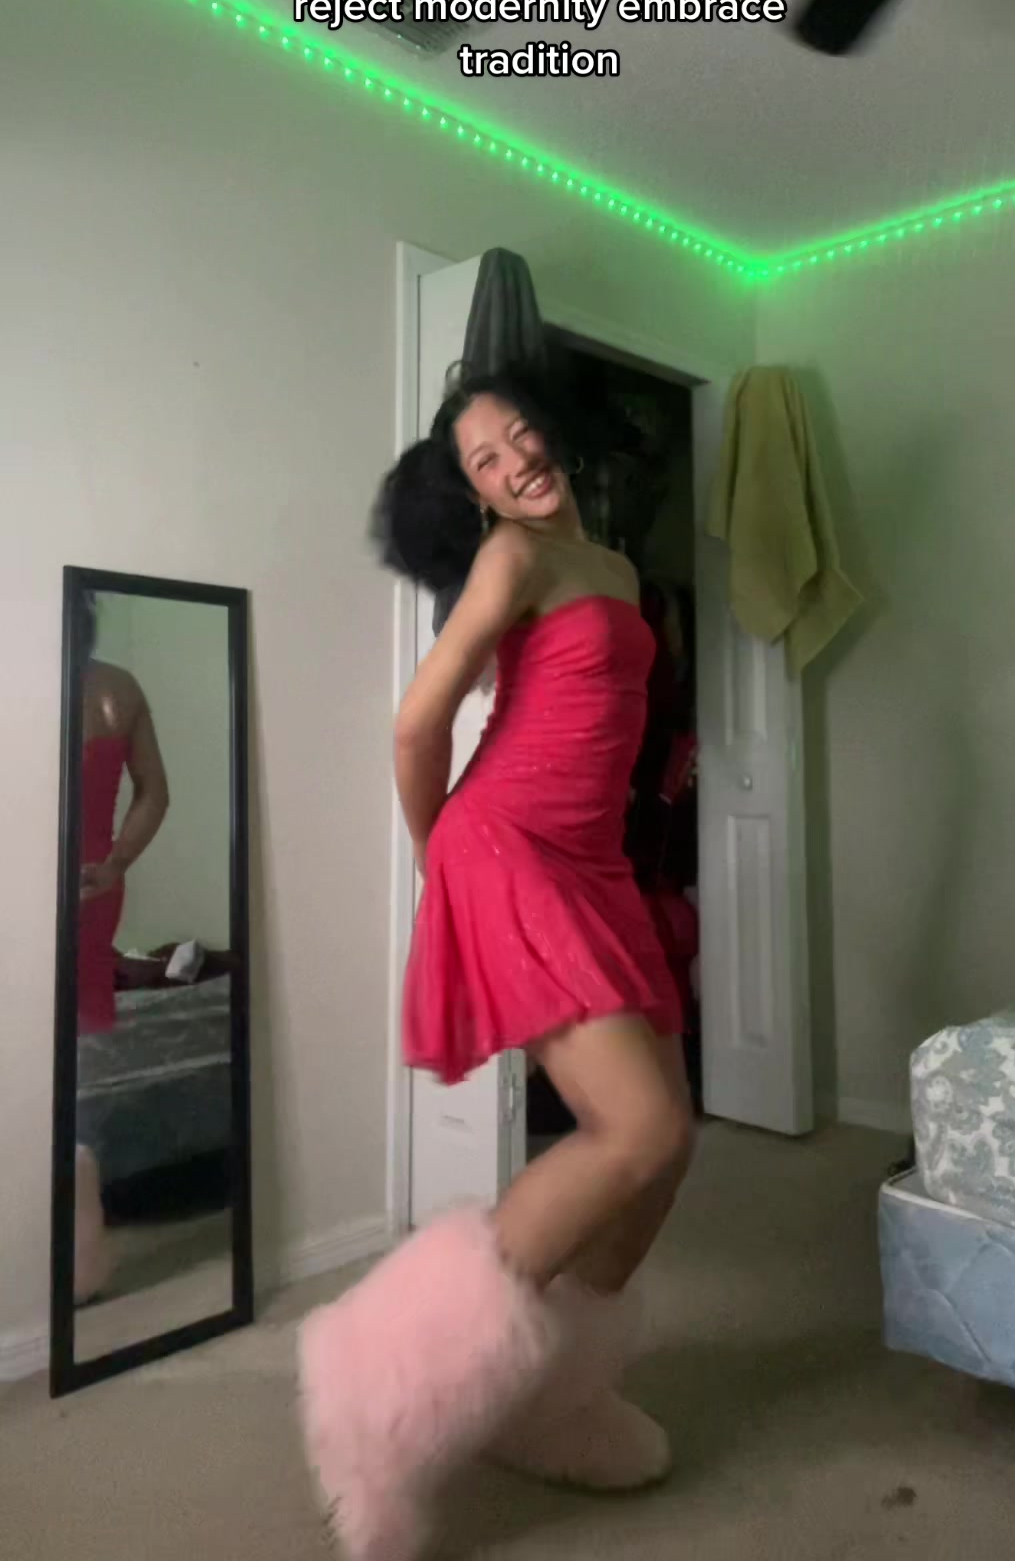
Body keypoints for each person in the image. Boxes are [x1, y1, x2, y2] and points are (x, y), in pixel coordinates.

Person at [299, 368, 695, 1561]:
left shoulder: (610, 566)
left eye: (520, 434)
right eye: (485, 458)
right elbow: (417, 723)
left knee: (666, 1145)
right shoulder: (511, 559)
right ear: (474, 492)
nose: (517, 459)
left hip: (596, 861)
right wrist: (443, 855)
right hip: (510, 843)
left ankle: (552, 1401)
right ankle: (374, 1385)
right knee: (637, 1130)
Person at [74, 592, 170, 1303]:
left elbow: (154, 792)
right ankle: (81, 1242)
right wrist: (113, 864)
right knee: (69, 1049)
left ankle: (72, 1239)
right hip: (94, 883)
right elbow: (153, 794)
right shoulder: (119, 688)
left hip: (60, 884)